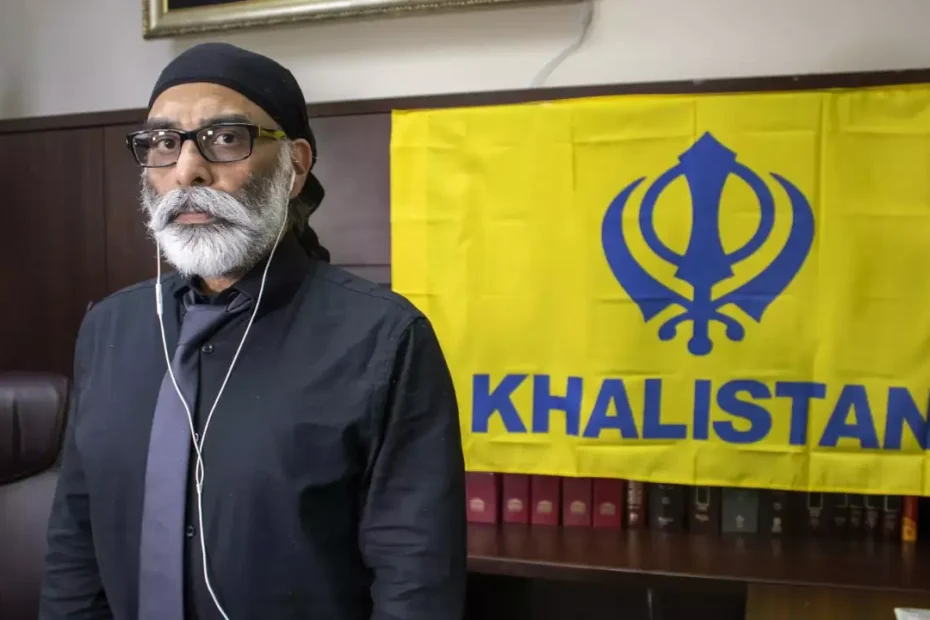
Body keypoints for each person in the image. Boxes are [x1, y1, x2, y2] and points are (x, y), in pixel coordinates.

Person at [38, 42, 466, 620]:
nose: (187, 170)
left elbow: (416, 583)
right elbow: (75, 543)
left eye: (225, 138)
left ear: (295, 167)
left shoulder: (384, 339)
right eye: (163, 142)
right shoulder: (108, 327)